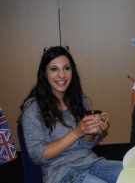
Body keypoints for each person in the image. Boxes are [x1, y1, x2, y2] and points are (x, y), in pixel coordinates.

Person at [18, 46, 122, 183]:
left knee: (134, 173)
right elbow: (38, 156)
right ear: (44, 73)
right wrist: (77, 132)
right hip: (60, 173)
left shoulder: (80, 99)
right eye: (54, 69)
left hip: (91, 163)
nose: (62, 75)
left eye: (67, 68)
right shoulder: (33, 108)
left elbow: (87, 145)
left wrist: (91, 131)